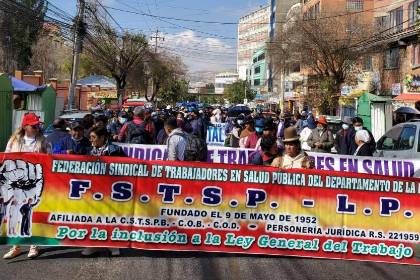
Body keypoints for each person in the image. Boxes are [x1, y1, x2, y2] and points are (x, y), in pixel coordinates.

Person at [3, 112, 48, 259]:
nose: (36, 127)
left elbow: (51, 159)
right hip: (16, 184)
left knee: (32, 213)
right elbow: (6, 158)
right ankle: (15, 246)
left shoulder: (43, 141)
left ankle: (33, 246)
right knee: (15, 213)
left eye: (37, 125)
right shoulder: (14, 140)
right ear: (25, 126)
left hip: (35, 182)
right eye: (33, 125)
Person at [81, 127, 125, 257]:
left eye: (94, 137)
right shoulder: (89, 150)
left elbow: (126, 168)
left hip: (111, 189)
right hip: (93, 189)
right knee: (93, 217)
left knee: (110, 217)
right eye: (90, 137)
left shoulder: (115, 150)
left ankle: (112, 245)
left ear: (102, 137)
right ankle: (93, 245)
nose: (91, 140)